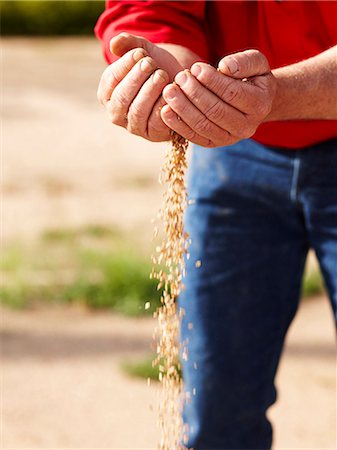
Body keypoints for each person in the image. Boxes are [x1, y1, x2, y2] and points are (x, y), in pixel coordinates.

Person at [95, 1, 337, 448]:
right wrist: (167, 70)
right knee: (215, 409)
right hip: (233, 143)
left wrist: (275, 95)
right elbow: (153, 10)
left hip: (247, 114)